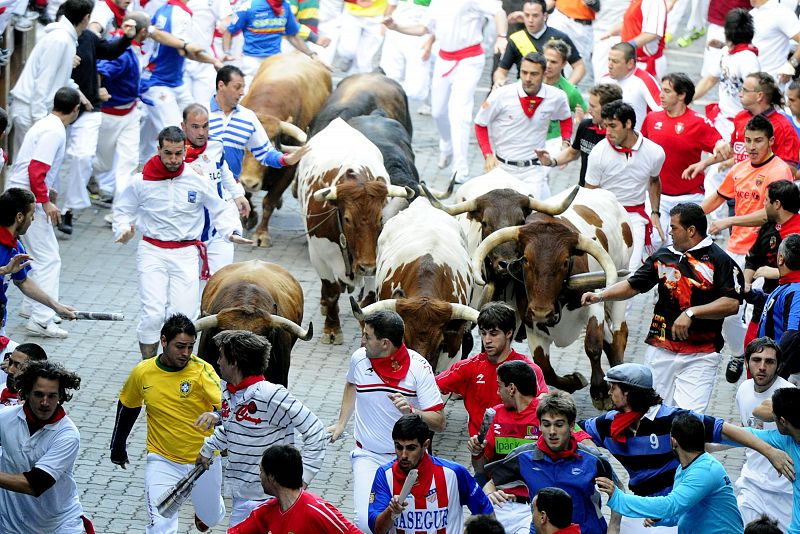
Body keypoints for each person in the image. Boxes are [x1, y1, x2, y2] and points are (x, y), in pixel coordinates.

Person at [578, 362, 794, 534]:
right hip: (648, 510)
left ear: (628, 393)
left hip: (668, 509)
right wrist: (593, 451)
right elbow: (575, 428)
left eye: (613, 388)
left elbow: (727, 431)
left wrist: (769, 450)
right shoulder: (609, 423)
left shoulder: (677, 422)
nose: (608, 393)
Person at [583, 203, 741, 411]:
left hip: (700, 355)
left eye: (674, 227)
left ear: (691, 230)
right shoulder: (664, 256)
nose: (670, 232)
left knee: (689, 418)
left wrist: (691, 313)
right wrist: (600, 296)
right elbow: (633, 285)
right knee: (652, 413)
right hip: (660, 349)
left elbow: (731, 304)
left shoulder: (720, 261)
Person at [112, 126, 250, 360]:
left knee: (185, 316)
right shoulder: (140, 181)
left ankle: (176, 366)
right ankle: (149, 368)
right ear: (159, 150)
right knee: (153, 314)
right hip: (152, 251)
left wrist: (231, 231)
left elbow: (219, 208)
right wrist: (123, 231)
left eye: (178, 153)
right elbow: (122, 211)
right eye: (168, 153)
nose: (174, 159)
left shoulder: (196, 179)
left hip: (186, 253)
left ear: (184, 150)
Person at [327, 310, 446, 532]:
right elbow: (351, 384)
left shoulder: (418, 368)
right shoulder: (359, 359)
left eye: (366, 336)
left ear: (384, 343)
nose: (361, 341)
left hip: (410, 461)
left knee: (409, 524)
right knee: (366, 523)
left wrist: (413, 411)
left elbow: (439, 422)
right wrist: (342, 422)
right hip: (368, 457)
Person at [195, 330, 328, 527]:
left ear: (234, 362)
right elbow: (235, 427)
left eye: (221, 356)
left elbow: (316, 432)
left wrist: (302, 479)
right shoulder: (228, 389)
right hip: (242, 498)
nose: (218, 361)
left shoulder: (271, 395)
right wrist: (208, 448)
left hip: (271, 501)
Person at [109, 314, 226, 533]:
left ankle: (210, 508)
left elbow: (227, 407)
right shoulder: (143, 372)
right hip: (162, 460)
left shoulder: (203, 371)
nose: (186, 353)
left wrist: (217, 416)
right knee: (160, 525)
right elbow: (128, 406)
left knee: (210, 517)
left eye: (191, 347)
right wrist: (118, 445)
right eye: (180, 346)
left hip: (204, 461)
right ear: (163, 341)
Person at [701, 115, 795, 375]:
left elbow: (770, 214)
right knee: (729, 308)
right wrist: (688, 216)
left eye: (758, 141)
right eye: (748, 141)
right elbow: (716, 200)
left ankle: (765, 366)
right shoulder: (739, 169)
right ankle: (739, 352)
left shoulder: (779, 171)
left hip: (767, 254)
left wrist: (728, 220)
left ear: (771, 141)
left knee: (762, 313)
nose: (752, 146)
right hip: (736, 250)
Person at [383, 0, 508, 184]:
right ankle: (447, 143)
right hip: (444, 59)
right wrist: (396, 27)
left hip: (469, 60)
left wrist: (501, 36)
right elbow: (424, 28)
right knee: (438, 111)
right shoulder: (437, 2)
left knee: (459, 113)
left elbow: (499, 12)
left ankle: (461, 169)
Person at [469, 361, 591, 534]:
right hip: (499, 502)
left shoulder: (547, 414)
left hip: (534, 509)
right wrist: (476, 453)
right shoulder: (496, 414)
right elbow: (481, 470)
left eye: (499, 386)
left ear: (511, 388)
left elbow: (587, 446)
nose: (497, 393)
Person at [4, 88, 81, 339]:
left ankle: (32, 307)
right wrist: (45, 202)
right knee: (48, 258)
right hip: (26, 200)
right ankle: (42, 319)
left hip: (24, 194)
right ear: (75, 110)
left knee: (33, 255)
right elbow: (37, 169)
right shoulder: (54, 130)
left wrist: (50, 191)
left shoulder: (47, 124)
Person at [484, 391, 613, 534]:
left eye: (559, 424)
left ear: (571, 426)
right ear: (539, 425)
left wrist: (614, 528)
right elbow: (490, 484)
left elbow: (617, 493)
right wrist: (490, 494)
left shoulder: (593, 459)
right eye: (546, 424)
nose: (552, 431)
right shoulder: (523, 457)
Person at [596, 412, 745, 533]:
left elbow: (670, 505)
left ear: (673, 441)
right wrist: (661, 519)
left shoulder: (704, 471)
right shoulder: (685, 467)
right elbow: (682, 510)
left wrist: (619, 498)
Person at [435, 303, 548, 462]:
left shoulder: (529, 370)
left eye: (494, 334)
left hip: (524, 456)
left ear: (509, 333)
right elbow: (429, 388)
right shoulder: (468, 368)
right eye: (483, 333)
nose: (487, 340)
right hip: (483, 456)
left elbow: (547, 409)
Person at [57, 13, 135, 235]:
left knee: (82, 156)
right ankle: (45, 204)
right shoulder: (57, 40)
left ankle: (68, 210)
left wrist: (127, 38)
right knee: (56, 160)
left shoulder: (89, 38)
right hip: (60, 108)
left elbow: (110, 51)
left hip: (89, 109)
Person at [575, 100, 665, 271]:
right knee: (602, 269)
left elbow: (654, 181)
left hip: (635, 216)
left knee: (629, 272)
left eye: (613, 126)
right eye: (605, 126)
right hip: (604, 216)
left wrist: (654, 213)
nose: (607, 132)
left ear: (628, 124)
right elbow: (589, 193)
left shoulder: (655, 152)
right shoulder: (598, 153)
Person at [368, 413, 494, 534]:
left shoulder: (454, 474)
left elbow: (487, 513)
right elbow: (377, 530)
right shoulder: (384, 475)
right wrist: (391, 511)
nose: (404, 455)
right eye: (399, 447)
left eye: (411, 448)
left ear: (426, 445)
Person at [0, 360, 86, 533]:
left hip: (59, 526)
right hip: (11, 526)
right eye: (39, 395)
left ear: (61, 396)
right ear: (26, 393)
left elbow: (35, 484)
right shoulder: (4, 418)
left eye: (52, 396)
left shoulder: (67, 435)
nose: (45, 403)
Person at [727, 180, 800, 381]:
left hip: (785, 307)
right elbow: (753, 258)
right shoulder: (769, 226)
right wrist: (748, 284)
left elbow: (793, 333)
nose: (763, 206)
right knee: (752, 345)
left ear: (777, 204)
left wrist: (773, 272)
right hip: (768, 299)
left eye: (766, 201)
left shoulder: (797, 234)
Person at [641, 73, 727, 241]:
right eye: (661, 90)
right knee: (655, 243)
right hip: (657, 197)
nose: (661, 95)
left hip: (689, 198)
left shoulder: (699, 122)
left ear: (681, 95)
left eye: (667, 91)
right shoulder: (652, 118)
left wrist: (704, 163)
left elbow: (725, 151)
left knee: (683, 247)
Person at [474, 51, 571, 199]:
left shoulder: (557, 96)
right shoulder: (501, 95)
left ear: (544, 74)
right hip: (502, 168)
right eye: (524, 72)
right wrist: (488, 155)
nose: (527, 78)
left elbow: (565, 118)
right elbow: (480, 123)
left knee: (533, 216)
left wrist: (566, 141)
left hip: (533, 171)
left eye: (534, 74)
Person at [138, 0, 223, 162]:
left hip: (174, 81)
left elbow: (179, 46)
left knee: (151, 128)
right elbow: (186, 50)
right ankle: (184, 172)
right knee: (175, 132)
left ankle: (143, 166)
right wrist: (215, 62)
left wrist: (212, 61)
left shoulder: (165, 9)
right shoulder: (179, 13)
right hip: (157, 83)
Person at [8, 0, 92, 154]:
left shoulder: (66, 39)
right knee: (28, 169)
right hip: (30, 111)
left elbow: (59, 78)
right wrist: (40, 122)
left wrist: (77, 91)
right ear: (86, 18)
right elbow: (43, 82)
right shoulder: (59, 39)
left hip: (35, 110)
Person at [732, 337, 794, 530]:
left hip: (784, 492)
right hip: (751, 485)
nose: (762, 366)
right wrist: (709, 444)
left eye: (769, 361)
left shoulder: (788, 394)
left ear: (778, 366)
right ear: (747, 362)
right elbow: (746, 433)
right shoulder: (743, 390)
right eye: (756, 360)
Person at [181, 103, 250, 276]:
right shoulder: (175, 155)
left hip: (217, 229)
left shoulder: (216, 145)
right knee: (190, 290)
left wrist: (237, 194)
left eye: (205, 126)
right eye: (195, 127)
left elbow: (223, 169)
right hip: (187, 234)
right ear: (183, 126)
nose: (201, 132)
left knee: (219, 283)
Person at [208, 65, 310, 181]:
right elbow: (186, 148)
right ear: (221, 86)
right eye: (237, 87)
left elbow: (265, 152)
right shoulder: (201, 114)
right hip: (202, 185)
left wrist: (286, 159)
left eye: (243, 88)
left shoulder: (248, 117)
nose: (242, 93)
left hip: (231, 189)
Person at [228, 444, 360, 534]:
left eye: (261, 471)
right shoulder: (265, 512)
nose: (259, 476)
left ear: (272, 477)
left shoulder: (317, 511)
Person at [0, 188, 76, 337]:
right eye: (32, 214)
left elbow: (23, 281)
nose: (33, 219)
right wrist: (3, 270)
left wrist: (56, 306)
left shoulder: (15, 247)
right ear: (20, 217)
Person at [93, 12, 151, 206]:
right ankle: (85, 174)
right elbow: (102, 69)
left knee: (128, 163)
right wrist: (99, 88)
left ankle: (121, 213)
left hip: (130, 113)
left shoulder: (130, 46)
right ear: (142, 32)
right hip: (110, 117)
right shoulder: (122, 53)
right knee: (102, 164)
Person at [693, 9, 759, 141]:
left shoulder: (748, 60)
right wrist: (687, 99)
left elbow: (756, 95)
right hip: (721, 120)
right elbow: (710, 80)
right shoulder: (726, 52)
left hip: (741, 126)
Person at [541, 82, 622, 186]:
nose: (588, 110)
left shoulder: (620, 136)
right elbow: (572, 153)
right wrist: (551, 161)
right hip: (584, 191)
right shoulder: (585, 126)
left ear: (608, 108)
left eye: (593, 106)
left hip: (608, 196)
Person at [223, 0, 320, 83]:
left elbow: (292, 35)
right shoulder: (248, 6)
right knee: (247, 96)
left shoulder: (285, 6)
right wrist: (226, 52)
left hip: (275, 61)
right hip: (252, 61)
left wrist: (311, 54)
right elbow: (229, 31)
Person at [493, 0, 585, 87]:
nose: (530, 20)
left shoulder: (560, 37)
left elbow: (579, 66)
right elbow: (501, 71)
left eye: (535, 16)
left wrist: (568, 87)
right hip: (526, 92)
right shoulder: (515, 39)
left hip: (553, 92)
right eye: (527, 15)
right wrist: (499, 81)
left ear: (545, 16)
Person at [726, 73, 800, 171]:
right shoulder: (740, 117)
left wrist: (758, 177)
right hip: (739, 182)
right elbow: (735, 153)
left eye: (745, 90)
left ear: (760, 95)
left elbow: (790, 169)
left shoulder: (783, 127)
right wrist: (705, 163)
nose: (740, 94)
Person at [541, 40, 585, 174]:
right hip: (528, 138)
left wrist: (581, 119)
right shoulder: (529, 81)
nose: (548, 65)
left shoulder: (570, 91)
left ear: (564, 64)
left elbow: (589, 115)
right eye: (546, 60)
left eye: (553, 62)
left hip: (554, 141)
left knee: (540, 175)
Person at [379, 0, 433, 106]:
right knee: (388, 78)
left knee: (416, 92)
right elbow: (392, 5)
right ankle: (391, 108)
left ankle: (429, 102)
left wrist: (431, 42)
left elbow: (442, 18)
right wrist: (384, 23)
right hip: (395, 33)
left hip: (421, 39)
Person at [599, 42, 661, 130]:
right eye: (609, 60)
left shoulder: (644, 80)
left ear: (630, 63)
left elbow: (661, 111)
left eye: (615, 61)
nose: (609, 65)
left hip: (636, 139)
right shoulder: (604, 80)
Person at [754, 234, 800, 351]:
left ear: (780, 259)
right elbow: (781, 306)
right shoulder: (789, 284)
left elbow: (792, 334)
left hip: (784, 367)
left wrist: (772, 360)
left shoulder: (796, 291)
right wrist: (754, 295)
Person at [749, 0, 800, 83]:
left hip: (774, 81)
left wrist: (791, 64)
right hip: (751, 80)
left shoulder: (781, 13)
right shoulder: (751, 14)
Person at [335, 0, 385, 74]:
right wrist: (355, 1)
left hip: (377, 17)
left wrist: (388, 17)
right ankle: (347, 58)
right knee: (348, 50)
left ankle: (356, 81)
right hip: (352, 14)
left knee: (364, 61)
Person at [0, 343, 47, 407]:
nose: (10, 370)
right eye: (10, 363)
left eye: (19, 366)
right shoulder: (1, 389)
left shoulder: (43, 405)